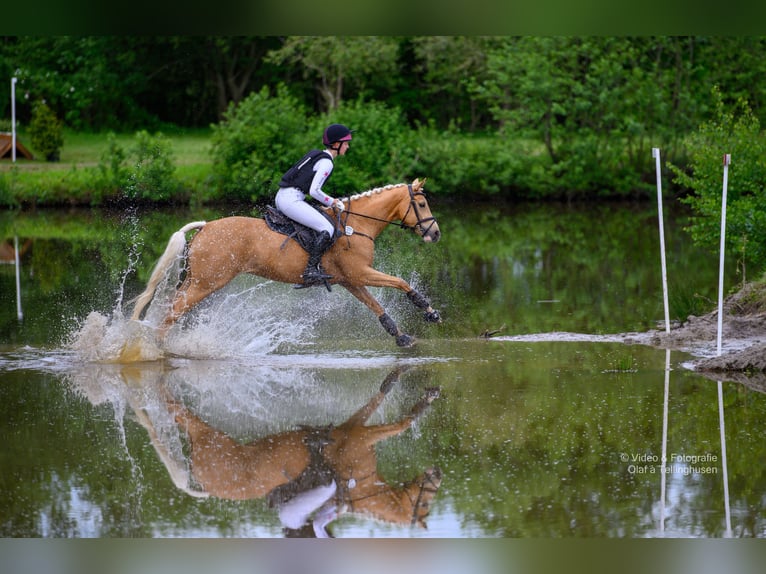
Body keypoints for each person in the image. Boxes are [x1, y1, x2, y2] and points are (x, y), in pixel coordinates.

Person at [275, 123, 352, 287]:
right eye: (345, 143)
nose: (348, 146)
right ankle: (310, 270)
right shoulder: (327, 163)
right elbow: (314, 191)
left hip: (286, 196)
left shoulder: (317, 154)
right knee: (328, 229)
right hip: (291, 199)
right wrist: (334, 202)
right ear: (336, 144)